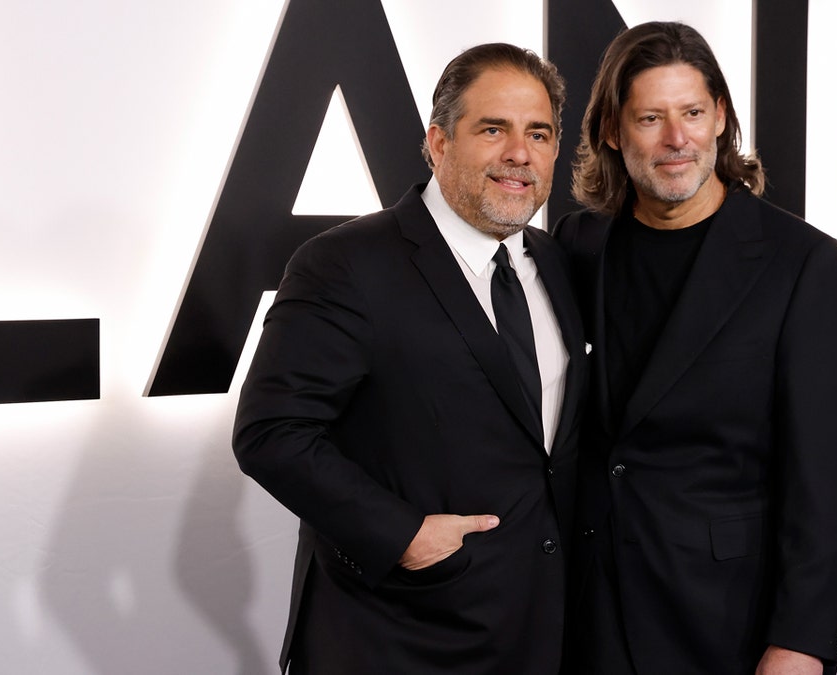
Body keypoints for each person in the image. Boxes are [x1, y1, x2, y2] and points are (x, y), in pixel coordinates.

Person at [233, 43, 586, 674]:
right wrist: (403, 537)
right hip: (395, 637)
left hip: (539, 634)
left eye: (539, 133)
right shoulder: (344, 264)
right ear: (440, 143)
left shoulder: (555, 264)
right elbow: (271, 432)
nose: (519, 153)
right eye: (493, 129)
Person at [553, 22, 837, 675]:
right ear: (612, 130)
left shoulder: (805, 266)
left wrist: (802, 643)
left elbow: (826, 485)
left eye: (693, 113)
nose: (677, 139)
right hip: (588, 619)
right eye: (650, 118)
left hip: (723, 622)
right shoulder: (581, 245)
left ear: (721, 117)